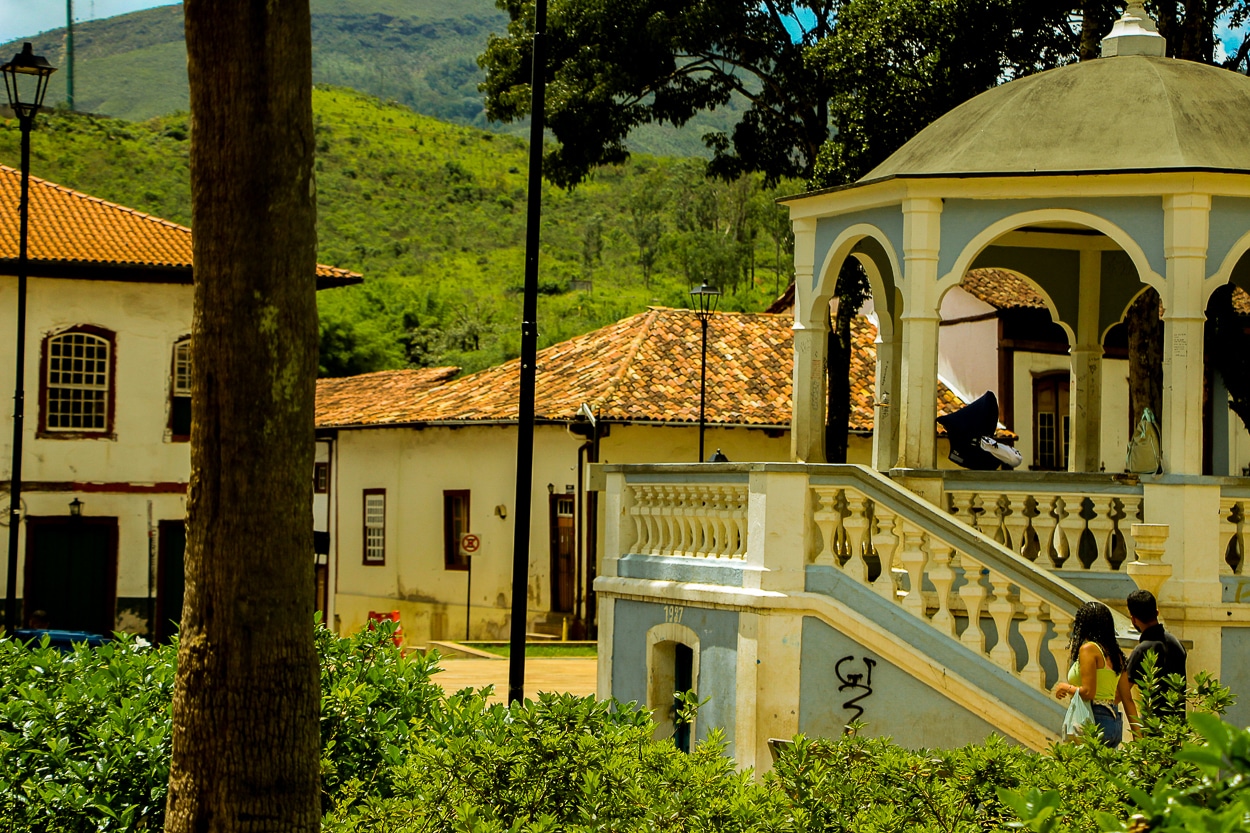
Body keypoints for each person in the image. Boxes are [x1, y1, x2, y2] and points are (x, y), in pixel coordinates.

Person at [1054, 601, 1140, 746]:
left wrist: (1065, 687)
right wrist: (1139, 739)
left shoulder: (1089, 649)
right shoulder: (1116, 655)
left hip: (1094, 719)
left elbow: (1088, 692)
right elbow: (1128, 700)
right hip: (1114, 723)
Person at [1125, 589, 1187, 717]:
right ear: (1157, 612)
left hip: (1153, 724)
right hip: (1177, 724)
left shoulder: (1142, 650)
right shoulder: (1177, 644)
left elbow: (1121, 692)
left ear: (1133, 619)